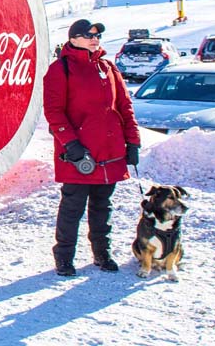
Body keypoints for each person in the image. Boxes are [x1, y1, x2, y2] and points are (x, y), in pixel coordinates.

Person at [43, 19, 142, 277]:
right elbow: (54, 112)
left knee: (102, 206)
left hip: (110, 151)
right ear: (74, 38)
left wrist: (132, 141)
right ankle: (64, 257)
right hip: (79, 155)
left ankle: (101, 253)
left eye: (97, 35)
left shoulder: (108, 67)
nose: (94, 39)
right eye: (88, 35)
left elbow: (124, 107)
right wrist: (71, 145)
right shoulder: (60, 69)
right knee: (72, 208)